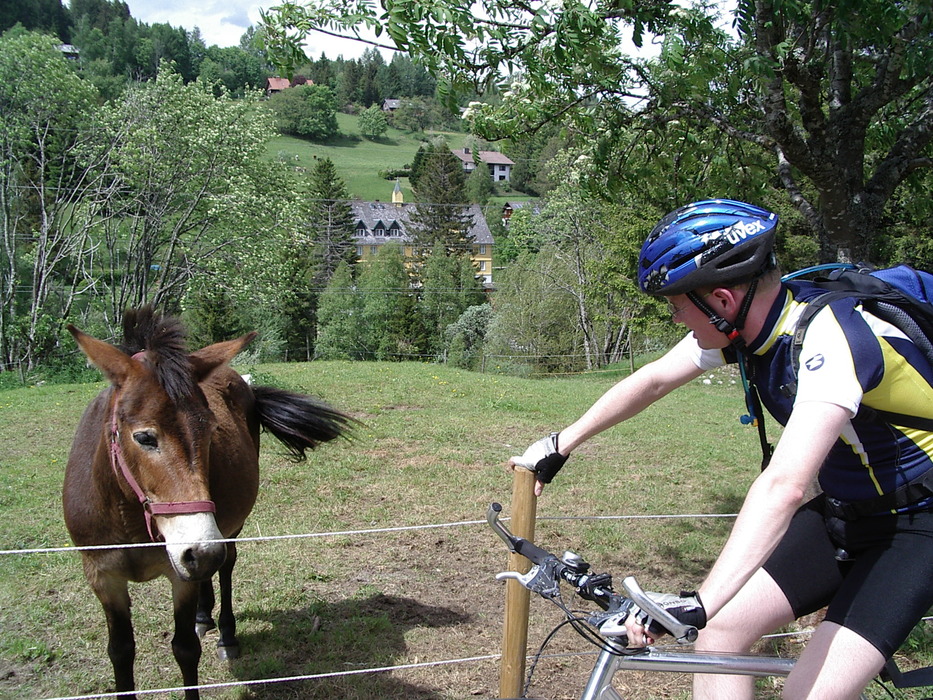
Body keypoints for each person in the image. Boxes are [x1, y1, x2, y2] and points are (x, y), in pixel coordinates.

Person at [509, 199, 933, 700]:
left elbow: (784, 485)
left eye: (676, 304)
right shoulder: (756, 328)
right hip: (846, 513)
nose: (673, 317)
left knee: (808, 692)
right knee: (721, 633)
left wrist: (703, 599)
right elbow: (654, 379)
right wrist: (562, 443)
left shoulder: (828, 339)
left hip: (919, 527)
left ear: (724, 300)